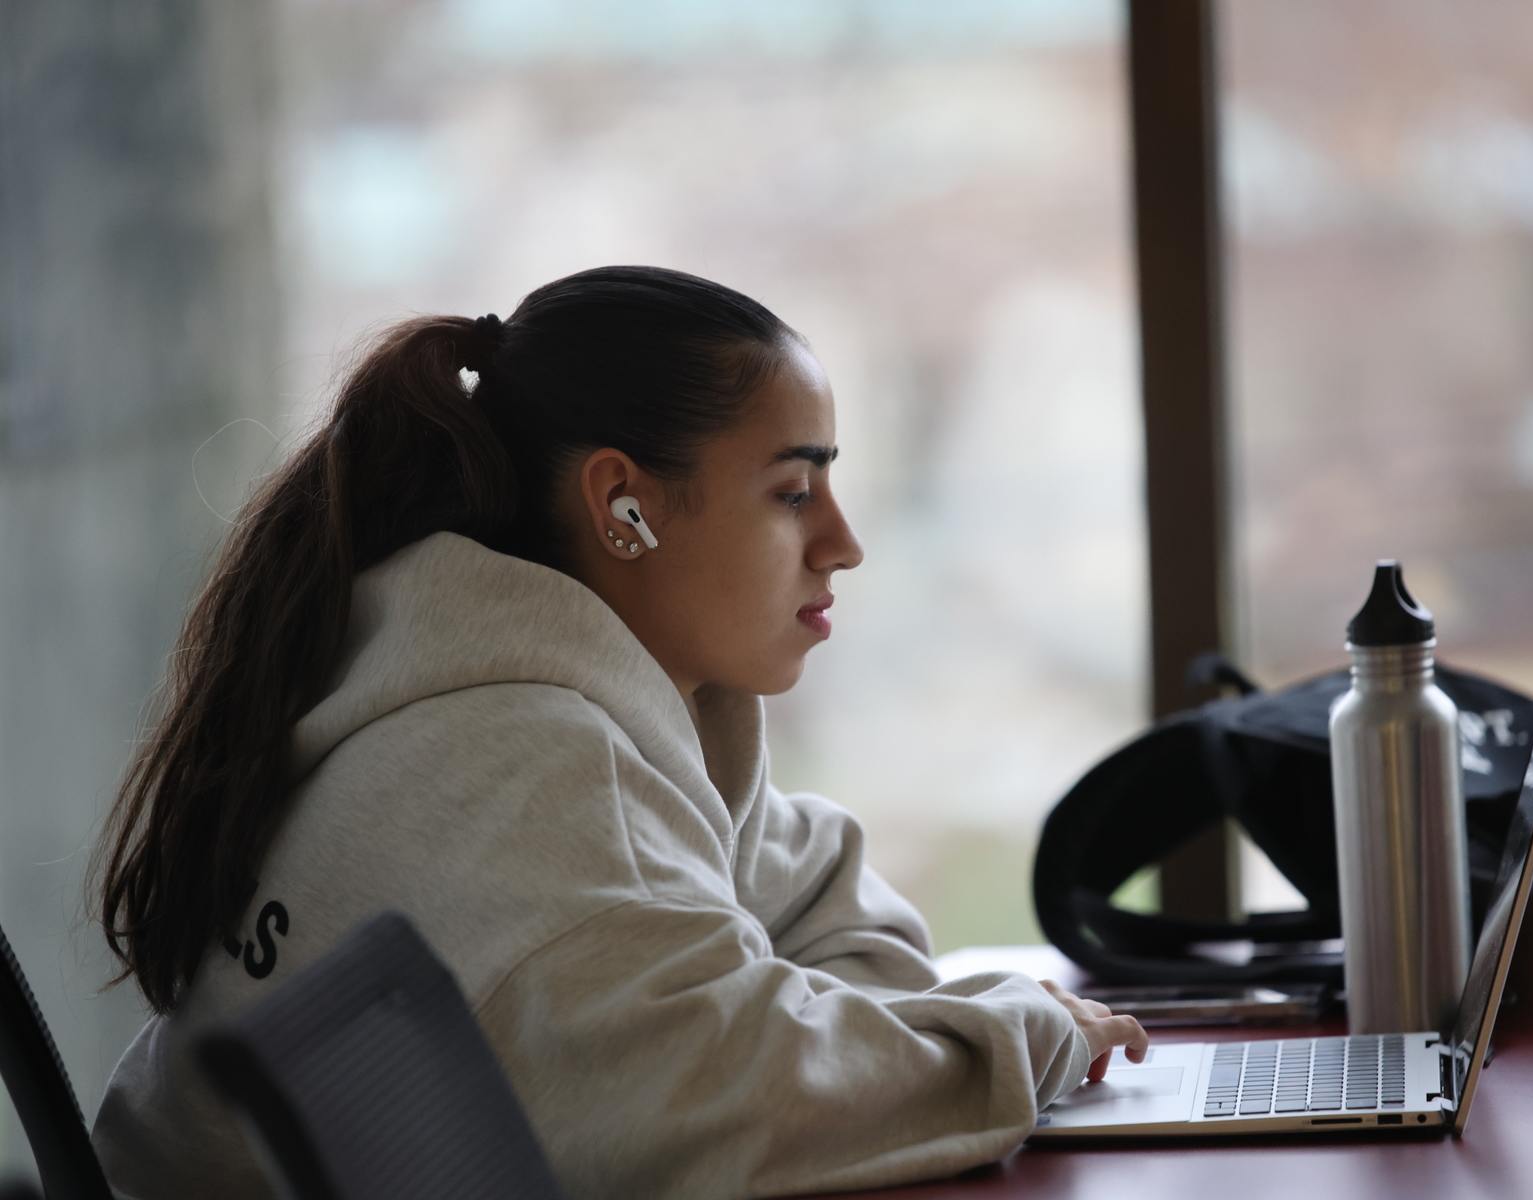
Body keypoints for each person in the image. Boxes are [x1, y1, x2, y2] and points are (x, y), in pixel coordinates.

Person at [87, 265, 1150, 1199]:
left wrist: (858, 1045)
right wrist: (1030, 1035)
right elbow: (739, 1107)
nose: (844, 543)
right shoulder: (523, 763)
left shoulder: (569, 698)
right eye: (792, 491)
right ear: (622, 505)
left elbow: (818, 897)